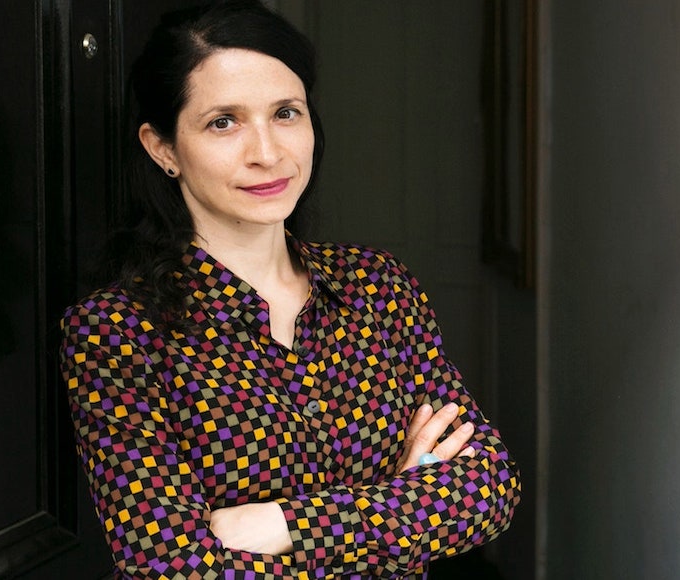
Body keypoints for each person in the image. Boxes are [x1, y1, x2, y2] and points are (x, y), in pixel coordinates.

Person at [59, 1, 520, 577]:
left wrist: (277, 525)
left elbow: (489, 487)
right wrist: (404, 508)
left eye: (285, 113)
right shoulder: (115, 332)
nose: (268, 153)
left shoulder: (378, 287)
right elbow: (170, 565)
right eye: (223, 122)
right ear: (163, 148)